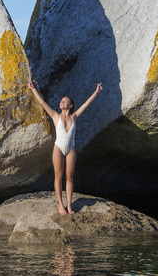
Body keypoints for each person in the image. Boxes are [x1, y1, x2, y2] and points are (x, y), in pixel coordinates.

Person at [28, 80, 103, 215]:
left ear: (70, 105)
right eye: (61, 101)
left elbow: (86, 104)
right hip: (58, 148)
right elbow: (43, 103)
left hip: (71, 149)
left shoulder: (74, 117)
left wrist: (96, 92)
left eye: (65, 101)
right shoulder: (55, 116)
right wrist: (34, 89)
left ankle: (69, 205)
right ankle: (60, 204)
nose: (62, 102)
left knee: (69, 177)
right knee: (58, 176)